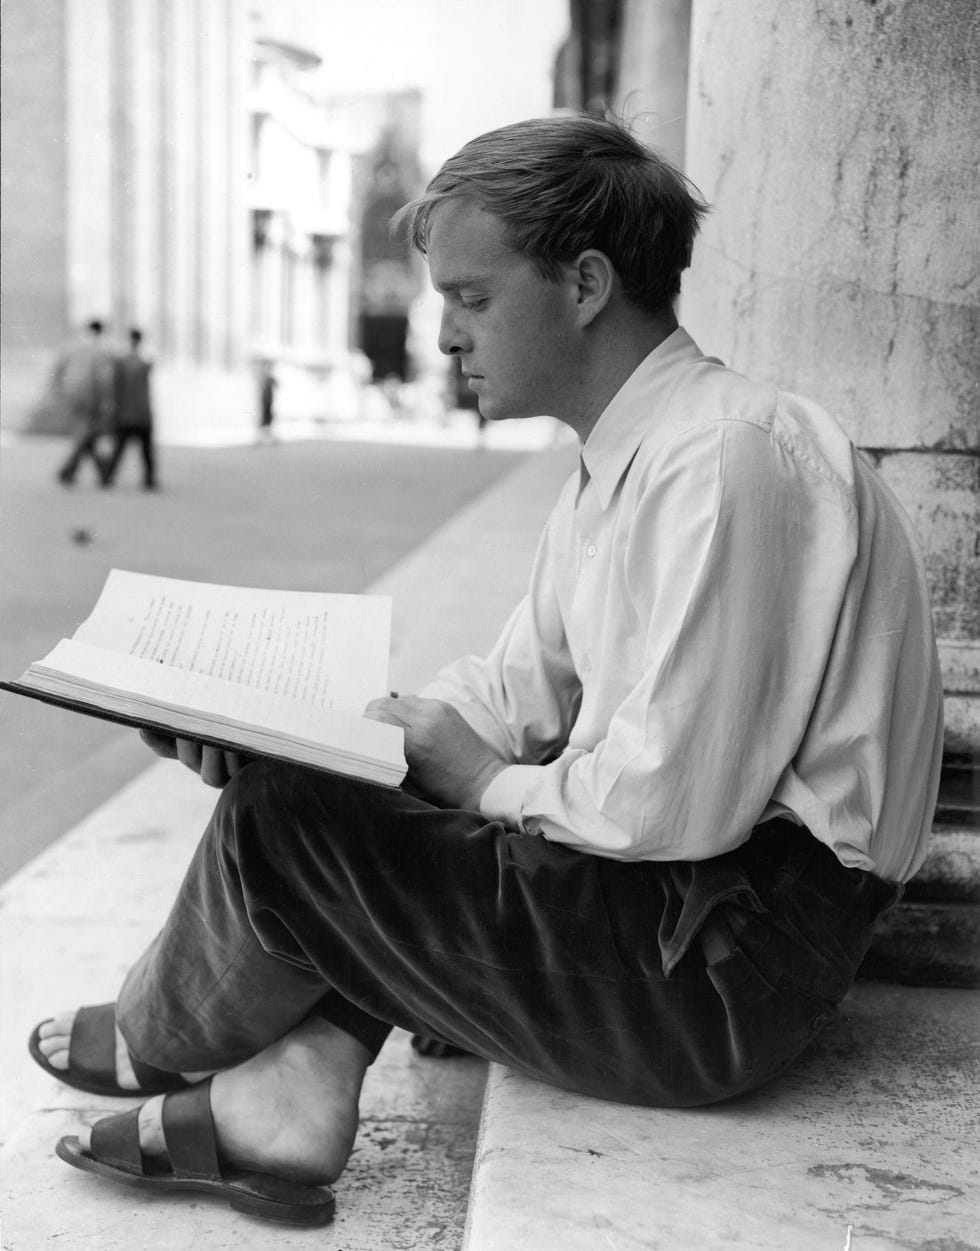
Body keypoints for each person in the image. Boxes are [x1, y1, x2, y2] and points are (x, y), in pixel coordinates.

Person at [31, 114, 943, 1228]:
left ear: (585, 283)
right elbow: (512, 697)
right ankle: (294, 1091)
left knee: (292, 827)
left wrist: (467, 779)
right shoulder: (627, 462)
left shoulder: (723, 458)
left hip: (724, 970)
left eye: (471, 299)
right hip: (686, 922)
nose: (446, 338)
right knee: (328, 786)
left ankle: (155, 1038)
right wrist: (317, 731)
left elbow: (669, 804)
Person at [53, 319, 115, 486]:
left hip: (72, 395)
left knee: (87, 433)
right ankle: (69, 470)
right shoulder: (100, 351)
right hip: (90, 397)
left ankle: (102, 473)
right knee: (86, 433)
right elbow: (104, 379)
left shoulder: (72, 346)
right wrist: (106, 402)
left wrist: (60, 391)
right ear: (100, 332)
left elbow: (58, 369)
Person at [101, 328, 158, 490]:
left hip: (126, 412)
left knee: (119, 449)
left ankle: (108, 477)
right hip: (142, 413)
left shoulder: (122, 363)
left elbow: (115, 388)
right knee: (145, 451)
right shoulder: (143, 363)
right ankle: (149, 480)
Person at [256, 360, 278, 444]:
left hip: (269, 402)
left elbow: (277, 384)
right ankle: (261, 437)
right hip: (264, 402)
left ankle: (267, 436)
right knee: (264, 419)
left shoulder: (269, 378)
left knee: (269, 419)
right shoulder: (263, 377)